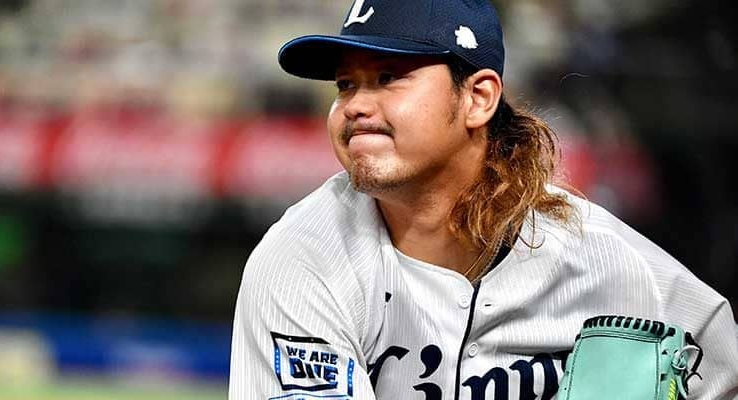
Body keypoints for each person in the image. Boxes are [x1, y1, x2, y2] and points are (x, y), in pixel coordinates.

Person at [228, 0, 738, 399]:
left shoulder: (605, 259)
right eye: (346, 84)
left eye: (388, 77)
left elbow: (722, 364)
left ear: (478, 97)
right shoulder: (304, 260)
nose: (355, 105)